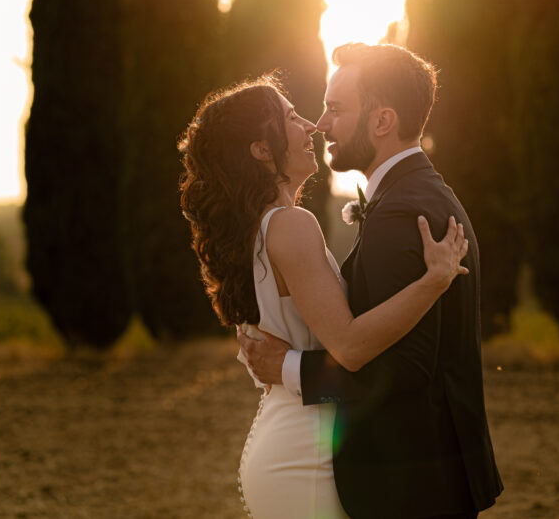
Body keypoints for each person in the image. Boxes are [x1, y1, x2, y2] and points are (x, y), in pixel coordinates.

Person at [178, 72, 470, 519]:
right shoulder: (291, 225)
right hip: (306, 453)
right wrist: (433, 281)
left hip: (292, 434)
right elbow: (350, 345)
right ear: (261, 149)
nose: (312, 126)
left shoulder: (262, 227)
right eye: (292, 117)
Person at [239, 43, 502, 518]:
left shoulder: (402, 214)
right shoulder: (418, 195)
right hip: (429, 478)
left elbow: (404, 369)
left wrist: (290, 369)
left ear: (382, 121)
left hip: (410, 487)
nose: (320, 124)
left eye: (335, 109)